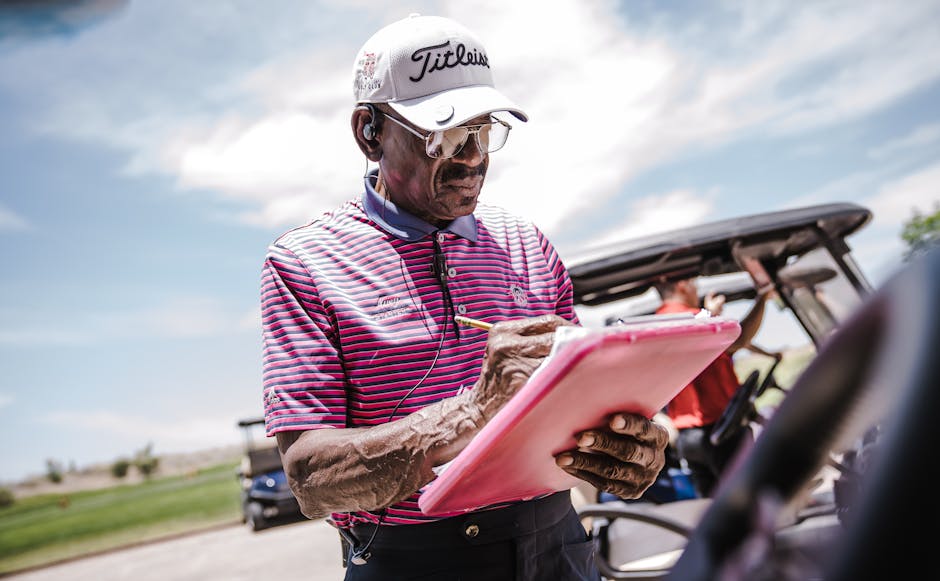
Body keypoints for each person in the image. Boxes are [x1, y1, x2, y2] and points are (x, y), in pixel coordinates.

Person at [260, 14, 669, 581]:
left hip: (558, 545)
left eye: (484, 131)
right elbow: (309, 479)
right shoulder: (306, 263)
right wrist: (474, 410)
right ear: (369, 132)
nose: (474, 157)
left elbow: (581, 415)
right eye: (445, 136)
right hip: (413, 563)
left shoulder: (527, 244)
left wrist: (626, 451)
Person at [654, 276, 774, 497]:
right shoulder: (691, 319)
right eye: (694, 283)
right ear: (682, 284)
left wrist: (709, 316)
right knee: (749, 501)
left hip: (689, 439)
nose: (697, 289)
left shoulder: (659, 324)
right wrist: (763, 297)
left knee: (713, 507)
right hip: (721, 431)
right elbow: (739, 339)